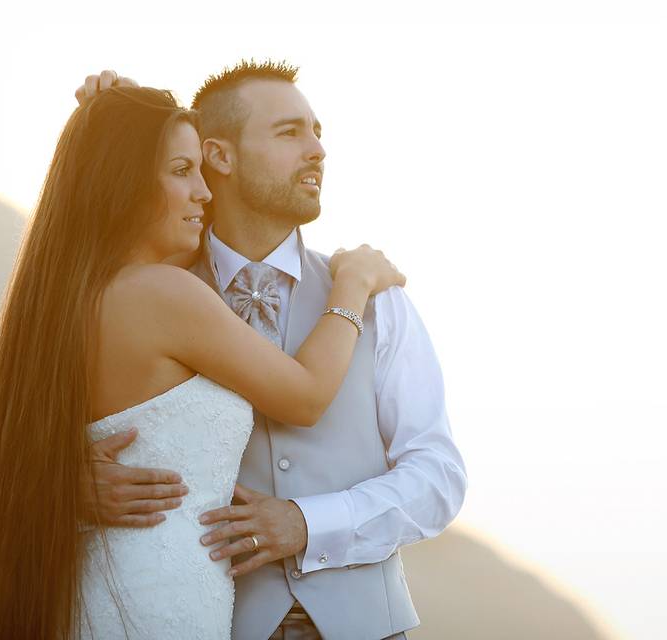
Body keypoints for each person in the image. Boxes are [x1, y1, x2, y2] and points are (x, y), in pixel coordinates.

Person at [0, 85, 406, 639]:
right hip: (154, 606)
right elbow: (306, 395)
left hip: (101, 594)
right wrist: (353, 286)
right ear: (124, 182)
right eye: (181, 171)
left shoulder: (64, 302)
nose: (203, 192)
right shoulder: (164, 294)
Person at [79, 62, 468, 640]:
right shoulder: (146, 296)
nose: (317, 150)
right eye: (289, 133)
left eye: (317, 133)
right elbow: (67, 420)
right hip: (210, 624)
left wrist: (308, 524)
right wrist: (67, 485)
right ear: (219, 156)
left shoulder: (377, 298)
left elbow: (438, 477)